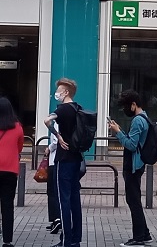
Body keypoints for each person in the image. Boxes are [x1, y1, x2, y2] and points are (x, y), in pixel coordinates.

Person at [108, 90, 153, 247]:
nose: (125, 110)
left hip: (133, 166)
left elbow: (131, 145)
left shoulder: (137, 121)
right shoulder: (145, 117)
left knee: (133, 201)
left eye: (127, 106)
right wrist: (121, 131)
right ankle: (145, 233)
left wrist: (118, 133)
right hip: (138, 164)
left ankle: (139, 236)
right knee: (135, 200)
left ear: (134, 104)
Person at [44, 78, 83, 247]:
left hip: (63, 159)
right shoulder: (78, 108)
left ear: (66, 92)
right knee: (75, 199)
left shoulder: (62, 109)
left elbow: (47, 121)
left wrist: (57, 135)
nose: (57, 94)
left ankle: (66, 240)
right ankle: (75, 239)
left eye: (59, 90)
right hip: (76, 158)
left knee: (63, 200)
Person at [0, 97, 24, 247]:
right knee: (7, 205)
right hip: (9, 170)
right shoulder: (18, 127)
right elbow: (19, 147)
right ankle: (7, 241)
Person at [44, 124, 61, 235]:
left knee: (52, 192)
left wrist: (49, 148)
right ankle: (55, 219)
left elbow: (56, 141)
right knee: (54, 191)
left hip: (54, 160)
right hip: (60, 161)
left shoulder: (57, 122)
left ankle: (56, 219)